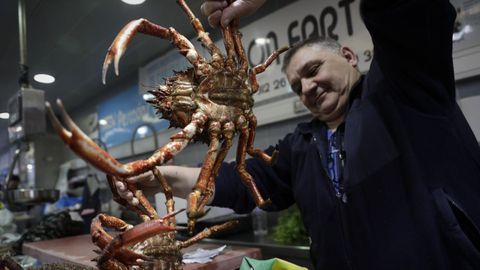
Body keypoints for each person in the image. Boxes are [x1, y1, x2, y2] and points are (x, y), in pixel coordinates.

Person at [117, 0, 480, 269]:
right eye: (296, 85)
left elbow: (406, 12)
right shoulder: (302, 144)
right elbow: (247, 182)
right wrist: (161, 174)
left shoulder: (406, 87)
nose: (306, 87)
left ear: (350, 56)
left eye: (313, 69)